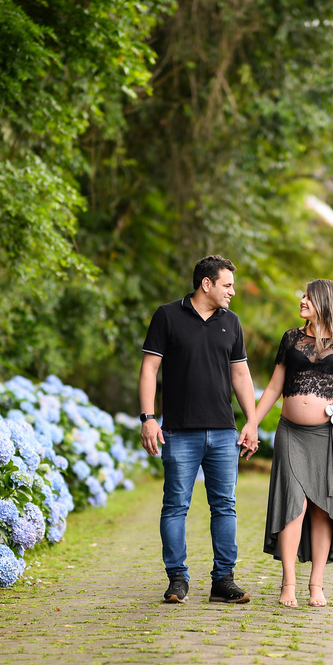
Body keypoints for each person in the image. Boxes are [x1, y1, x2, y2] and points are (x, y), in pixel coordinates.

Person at [139, 255, 261, 604]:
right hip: (179, 431)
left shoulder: (232, 322)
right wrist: (147, 417)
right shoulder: (167, 316)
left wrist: (251, 422)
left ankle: (223, 580)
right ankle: (177, 579)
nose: (232, 292)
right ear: (206, 283)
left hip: (223, 431)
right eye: (227, 285)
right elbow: (150, 369)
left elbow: (241, 375)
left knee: (225, 506)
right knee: (175, 505)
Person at [250, 279, 333, 606]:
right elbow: (274, 387)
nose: (302, 301)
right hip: (291, 433)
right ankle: (288, 583)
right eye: (303, 295)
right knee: (293, 504)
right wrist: (252, 424)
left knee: (321, 508)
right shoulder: (291, 339)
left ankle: (317, 584)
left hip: (327, 436)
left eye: (308, 297)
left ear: (325, 302)